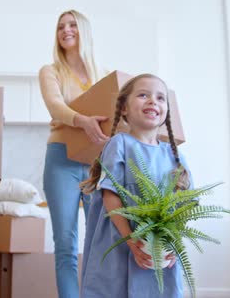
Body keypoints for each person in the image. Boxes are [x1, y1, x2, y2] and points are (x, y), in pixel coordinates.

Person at [79, 74, 193, 297]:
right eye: (143, 95)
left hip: (158, 249)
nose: (153, 101)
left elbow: (185, 206)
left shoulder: (174, 155)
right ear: (123, 108)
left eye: (161, 98)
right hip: (120, 241)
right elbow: (110, 194)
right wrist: (130, 240)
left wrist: (173, 243)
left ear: (166, 111)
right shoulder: (119, 144)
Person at [38, 10, 108, 298]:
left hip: (97, 165)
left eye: (72, 25)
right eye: (60, 27)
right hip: (61, 161)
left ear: (85, 31)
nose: (65, 30)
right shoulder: (50, 71)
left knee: (98, 241)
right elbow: (55, 106)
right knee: (65, 241)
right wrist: (83, 121)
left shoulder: (103, 77)